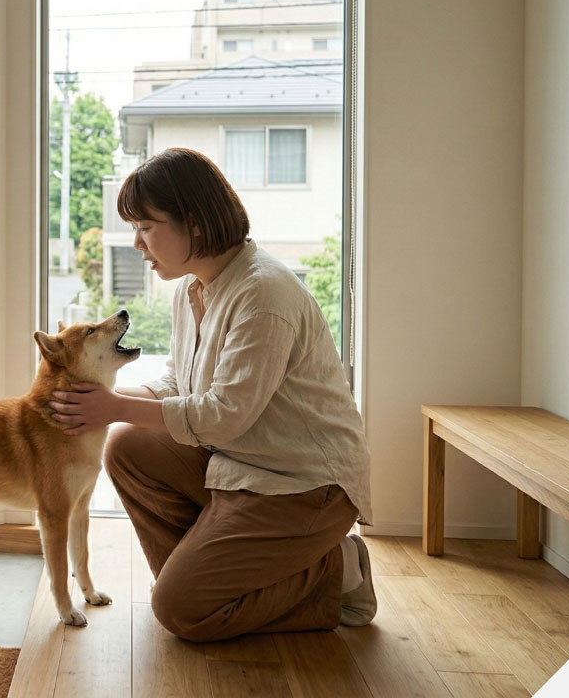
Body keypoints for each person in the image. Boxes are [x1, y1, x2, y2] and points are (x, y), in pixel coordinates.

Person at [47, 147, 375, 642]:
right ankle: (214, 576)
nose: (135, 242)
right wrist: (98, 404)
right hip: (241, 463)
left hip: (303, 485)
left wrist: (113, 407)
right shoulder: (193, 288)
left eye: (146, 226)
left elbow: (223, 416)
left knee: (183, 613)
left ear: (194, 223)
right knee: (128, 445)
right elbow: (182, 384)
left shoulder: (263, 295)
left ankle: (339, 568)